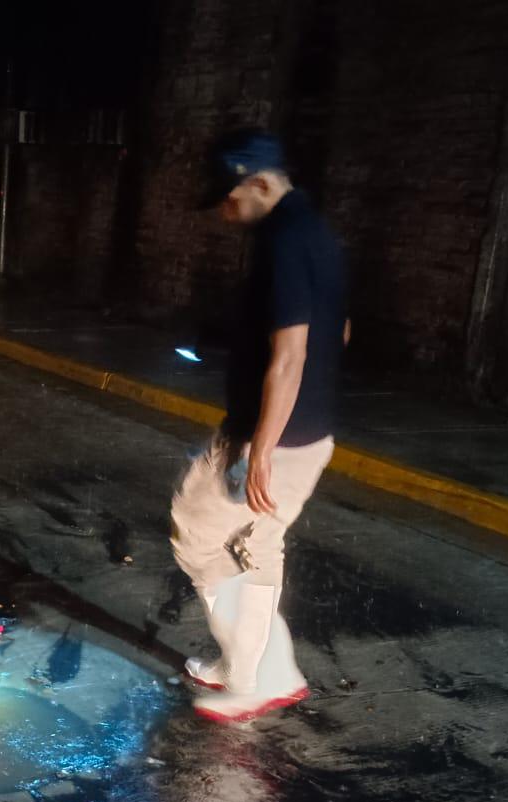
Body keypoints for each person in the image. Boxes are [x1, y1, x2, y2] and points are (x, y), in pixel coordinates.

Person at [170, 129, 349, 723]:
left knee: (197, 532)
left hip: (276, 435)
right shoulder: (318, 233)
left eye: (230, 197)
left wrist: (262, 449)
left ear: (262, 183)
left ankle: (255, 673)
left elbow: (292, 355)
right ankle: (259, 669)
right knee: (258, 544)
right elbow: (340, 331)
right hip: (309, 430)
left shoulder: (286, 239)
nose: (225, 211)